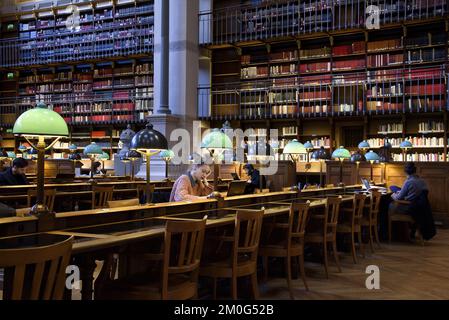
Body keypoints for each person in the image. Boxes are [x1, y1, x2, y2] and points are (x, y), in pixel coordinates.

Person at [389, 162, 436, 240]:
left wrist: (393, 195)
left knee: (389, 205)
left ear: (405, 171)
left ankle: (390, 234)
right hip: (419, 208)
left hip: (409, 207)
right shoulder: (422, 181)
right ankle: (408, 231)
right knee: (394, 188)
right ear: (415, 170)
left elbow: (398, 198)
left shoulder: (408, 182)